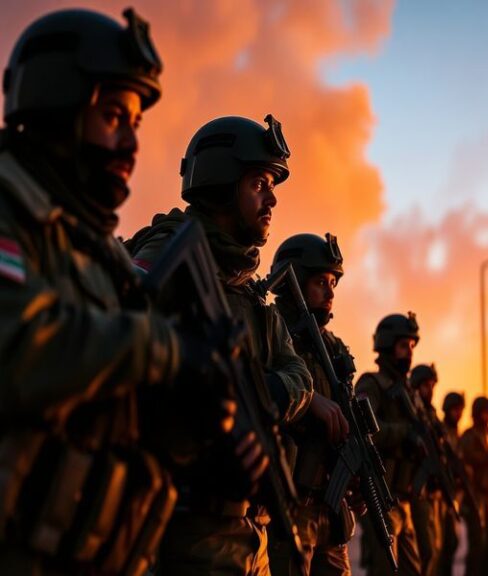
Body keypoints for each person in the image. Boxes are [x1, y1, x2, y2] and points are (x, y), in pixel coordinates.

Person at [0, 7, 238, 573]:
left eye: (136, 123)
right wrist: (170, 349)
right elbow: (18, 346)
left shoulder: (99, 249)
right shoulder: (12, 214)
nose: (131, 142)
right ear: (58, 108)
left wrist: (198, 418)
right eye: (114, 115)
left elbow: (114, 414)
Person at [127, 115, 313, 575]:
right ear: (220, 182)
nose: (271, 199)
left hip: (252, 536)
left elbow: (298, 373)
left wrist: (264, 393)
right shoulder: (167, 255)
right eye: (259, 183)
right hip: (187, 535)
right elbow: (128, 356)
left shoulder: (249, 292)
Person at [268, 232, 358, 575]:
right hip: (288, 508)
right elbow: (256, 396)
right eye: (321, 281)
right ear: (294, 282)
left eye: (334, 282)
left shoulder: (334, 348)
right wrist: (308, 403)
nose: (331, 291)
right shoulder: (272, 332)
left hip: (329, 510)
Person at [355, 313, 422, 576]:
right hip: (381, 497)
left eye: (412, 347)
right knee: (384, 570)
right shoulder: (371, 384)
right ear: (387, 345)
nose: (409, 353)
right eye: (404, 346)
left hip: (403, 500)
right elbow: (364, 429)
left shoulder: (408, 392)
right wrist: (404, 433)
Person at [409, 364, 443, 576]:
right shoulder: (413, 409)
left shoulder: (429, 414)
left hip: (428, 492)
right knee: (424, 552)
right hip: (413, 490)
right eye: (426, 385)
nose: (430, 390)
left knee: (433, 549)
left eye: (432, 385)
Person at [459, 397, 488, 576]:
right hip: (473, 496)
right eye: (484, 412)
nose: (487, 416)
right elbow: (465, 459)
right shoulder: (469, 436)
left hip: (486, 495)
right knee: (477, 545)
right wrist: (486, 459)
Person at [436, 392, 466, 576]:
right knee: (438, 548)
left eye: (460, 410)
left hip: (451, 496)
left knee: (452, 543)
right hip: (438, 496)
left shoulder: (456, 434)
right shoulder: (440, 431)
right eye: (455, 410)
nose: (458, 414)